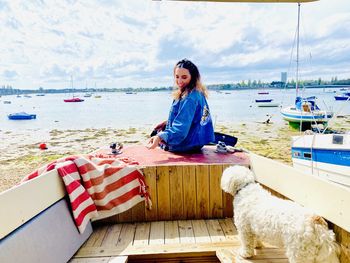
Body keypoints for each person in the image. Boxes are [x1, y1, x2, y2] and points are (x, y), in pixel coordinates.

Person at [147, 59, 215, 152]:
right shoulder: (197, 93)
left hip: (186, 145)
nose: (179, 81)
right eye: (177, 76)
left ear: (193, 77)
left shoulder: (189, 98)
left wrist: (159, 137)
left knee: (155, 135)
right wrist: (167, 123)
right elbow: (192, 118)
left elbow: (181, 129)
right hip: (198, 142)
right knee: (158, 132)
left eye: (184, 77)